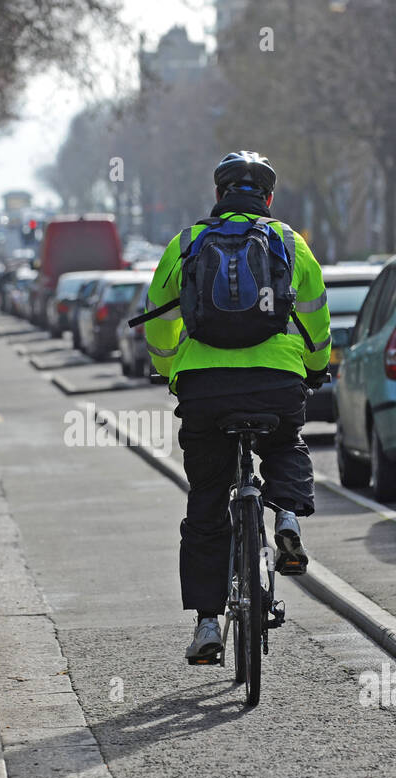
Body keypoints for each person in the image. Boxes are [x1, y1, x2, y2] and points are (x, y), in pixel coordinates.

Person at [143, 151, 332, 664]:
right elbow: (315, 317)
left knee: (207, 497)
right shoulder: (290, 242)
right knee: (286, 441)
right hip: (277, 380)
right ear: (268, 199)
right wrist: (313, 368)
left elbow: (157, 320)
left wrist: (168, 369)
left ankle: (207, 623)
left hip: (205, 387)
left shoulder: (186, 242)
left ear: (219, 194)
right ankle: (287, 518)